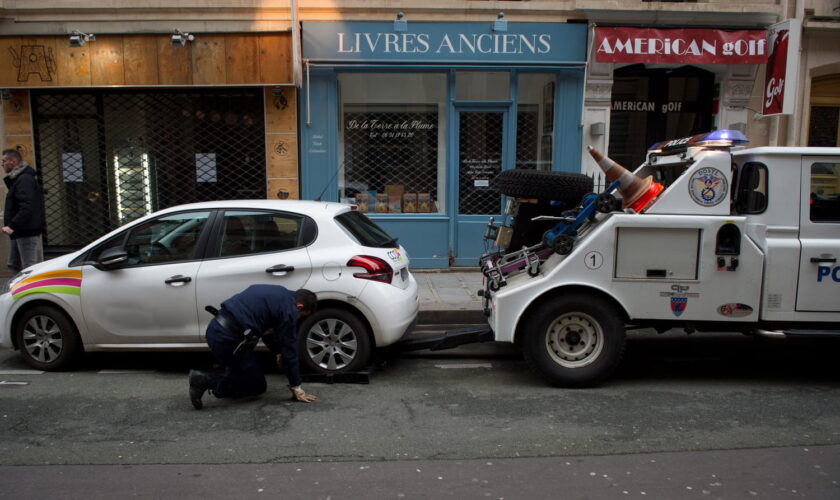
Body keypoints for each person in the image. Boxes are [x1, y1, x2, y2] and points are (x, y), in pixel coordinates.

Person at [189, 285, 318, 409]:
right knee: (257, 386)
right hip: (228, 341)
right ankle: (206, 381)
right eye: (301, 315)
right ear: (299, 307)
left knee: (244, 368)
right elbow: (289, 350)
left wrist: (278, 351)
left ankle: (234, 377)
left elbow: (268, 331)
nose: (298, 318)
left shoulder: (278, 294)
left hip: (215, 330)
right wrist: (296, 386)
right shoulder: (289, 310)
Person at [2, 149, 45, 272]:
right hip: (20, 230)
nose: (2, 164)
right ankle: (18, 289)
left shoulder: (24, 179)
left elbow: (27, 205)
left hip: (26, 230)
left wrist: (12, 225)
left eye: (4, 161)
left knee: (28, 267)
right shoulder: (18, 179)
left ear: (13, 162)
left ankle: (31, 289)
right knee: (13, 263)